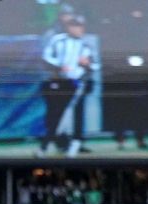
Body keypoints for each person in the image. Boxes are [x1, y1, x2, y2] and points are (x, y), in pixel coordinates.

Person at [38, 14, 100, 158]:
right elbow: (46, 56)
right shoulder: (58, 40)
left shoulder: (86, 45)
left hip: (76, 83)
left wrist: (87, 64)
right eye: (76, 26)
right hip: (57, 81)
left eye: (81, 26)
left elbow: (96, 65)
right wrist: (60, 66)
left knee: (75, 114)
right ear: (69, 28)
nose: (80, 30)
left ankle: (75, 144)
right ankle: (49, 144)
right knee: (55, 114)